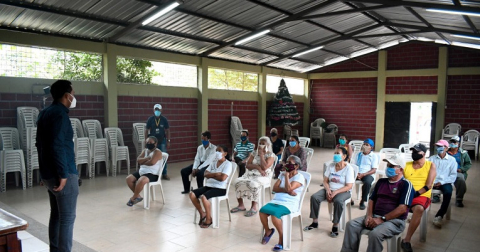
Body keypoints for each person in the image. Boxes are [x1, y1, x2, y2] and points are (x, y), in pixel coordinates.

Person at [36, 80, 79, 252]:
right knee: (67, 218)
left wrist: (44, 173)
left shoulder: (45, 113)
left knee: (56, 214)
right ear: (67, 96)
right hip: (63, 173)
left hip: (49, 173)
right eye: (72, 94)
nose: (74, 97)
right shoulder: (60, 115)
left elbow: (40, 144)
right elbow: (57, 145)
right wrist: (63, 174)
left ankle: (54, 249)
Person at [340, 153, 414, 252]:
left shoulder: (406, 185)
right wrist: (369, 216)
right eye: (387, 166)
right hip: (375, 216)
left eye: (391, 166)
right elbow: (372, 200)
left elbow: (402, 208)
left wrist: (382, 219)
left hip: (394, 221)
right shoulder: (381, 182)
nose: (388, 168)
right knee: (351, 225)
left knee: (375, 234)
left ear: (400, 170)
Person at [304, 147, 354, 237]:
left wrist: (335, 192)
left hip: (343, 191)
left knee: (338, 201)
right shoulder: (331, 166)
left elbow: (349, 186)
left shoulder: (348, 168)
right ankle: (314, 222)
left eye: (338, 153)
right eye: (335, 153)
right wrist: (328, 190)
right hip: (330, 189)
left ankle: (335, 225)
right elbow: (325, 181)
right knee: (315, 197)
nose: (335, 155)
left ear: (344, 156)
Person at [259, 155, 305, 252]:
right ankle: (268, 231)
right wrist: (286, 191)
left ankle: (282, 239)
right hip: (277, 200)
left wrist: (287, 176)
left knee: (275, 215)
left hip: (290, 203)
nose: (287, 164)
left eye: (290, 163)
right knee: (262, 211)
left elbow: (289, 188)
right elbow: (275, 189)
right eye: (286, 162)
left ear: (296, 166)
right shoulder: (282, 174)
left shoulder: (300, 177)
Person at [401, 143, 436, 252]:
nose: (414, 154)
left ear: (424, 154)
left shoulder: (430, 165)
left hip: (421, 195)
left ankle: (406, 240)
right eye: (413, 152)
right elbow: (400, 180)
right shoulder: (406, 165)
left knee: (419, 209)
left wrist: (414, 194)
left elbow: (429, 185)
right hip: (406, 193)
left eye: (416, 152)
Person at [231, 137, 276, 217]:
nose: (261, 145)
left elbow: (264, 167)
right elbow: (248, 165)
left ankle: (254, 207)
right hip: (251, 174)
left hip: (263, 176)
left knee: (253, 184)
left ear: (268, 145)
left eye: (263, 144)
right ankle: (241, 205)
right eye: (260, 143)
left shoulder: (271, 155)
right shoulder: (254, 153)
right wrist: (257, 167)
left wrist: (261, 155)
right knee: (237, 181)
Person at [189, 145, 232, 228]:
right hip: (209, 186)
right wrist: (216, 174)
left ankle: (209, 219)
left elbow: (222, 178)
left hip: (220, 188)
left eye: (219, 151)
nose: (217, 153)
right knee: (192, 194)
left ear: (225, 153)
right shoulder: (214, 162)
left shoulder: (228, 164)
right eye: (216, 151)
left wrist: (211, 175)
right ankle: (202, 213)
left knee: (204, 197)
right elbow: (205, 174)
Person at [125, 136, 163, 206]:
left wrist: (143, 161)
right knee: (129, 179)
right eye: (147, 142)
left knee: (141, 180)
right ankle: (138, 196)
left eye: (151, 143)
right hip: (142, 171)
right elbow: (138, 160)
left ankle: (133, 197)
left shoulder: (157, 152)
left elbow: (152, 163)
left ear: (155, 144)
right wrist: (147, 158)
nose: (148, 144)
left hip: (152, 173)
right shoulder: (145, 150)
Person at [428, 139, 457, 228]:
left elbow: (453, 175)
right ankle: (418, 213)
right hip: (432, 181)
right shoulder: (431, 159)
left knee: (448, 192)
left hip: (445, 182)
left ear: (446, 148)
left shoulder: (452, 160)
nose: (438, 148)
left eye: (441, 146)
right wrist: (432, 181)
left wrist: (442, 182)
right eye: (437, 146)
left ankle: (439, 216)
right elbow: (426, 172)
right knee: (420, 190)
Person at [145, 104, 171, 180]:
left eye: (158, 110)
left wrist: (168, 140)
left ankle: (164, 173)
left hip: (162, 141)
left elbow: (168, 130)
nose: (157, 111)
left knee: (163, 157)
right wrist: (146, 140)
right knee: (152, 157)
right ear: (153, 110)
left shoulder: (164, 119)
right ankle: (153, 173)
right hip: (152, 142)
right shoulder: (150, 119)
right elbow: (146, 130)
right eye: (156, 109)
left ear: (161, 110)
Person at [353, 138, 378, 210]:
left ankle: (362, 201)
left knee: (367, 182)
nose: (364, 146)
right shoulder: (358, 154)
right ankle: (349, 199)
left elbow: (374, 170)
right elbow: (353, 165)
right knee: (347, 179)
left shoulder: (374, 156)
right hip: (357, 173)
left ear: (371, 147)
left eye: (367, 145)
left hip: (368, 174)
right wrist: (357, 173)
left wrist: (363, 174)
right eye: (364, 144)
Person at [447, 136, 471, 207]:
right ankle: (436, 196)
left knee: (461, 180)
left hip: (457, 171)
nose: (452, 144)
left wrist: (462, 169)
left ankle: (459, 199)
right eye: (451, 142)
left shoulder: (463, 153)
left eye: (454, 142)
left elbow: (468, 163)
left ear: (458, 144)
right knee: (438, 177)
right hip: (446, 171)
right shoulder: (446, 152)